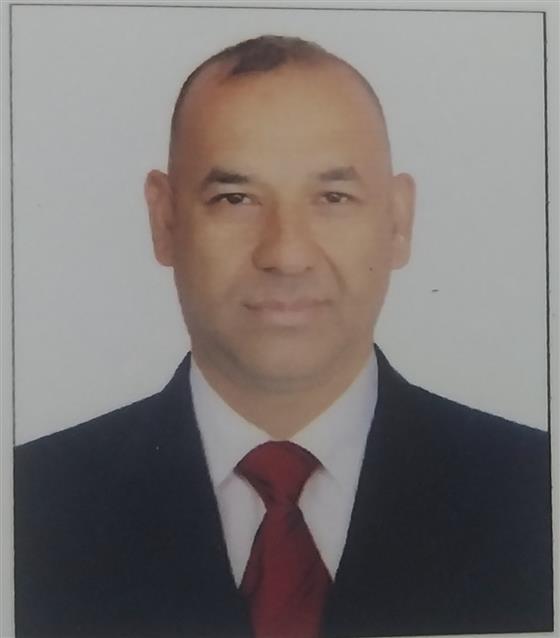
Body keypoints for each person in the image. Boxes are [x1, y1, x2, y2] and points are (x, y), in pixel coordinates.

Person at [14, 35, 552, 638]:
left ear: (398, 221)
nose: (286, 254)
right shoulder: (29, 506)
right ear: (164, 220)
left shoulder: (535, 494)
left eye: (333, 197)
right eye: (235, 198)